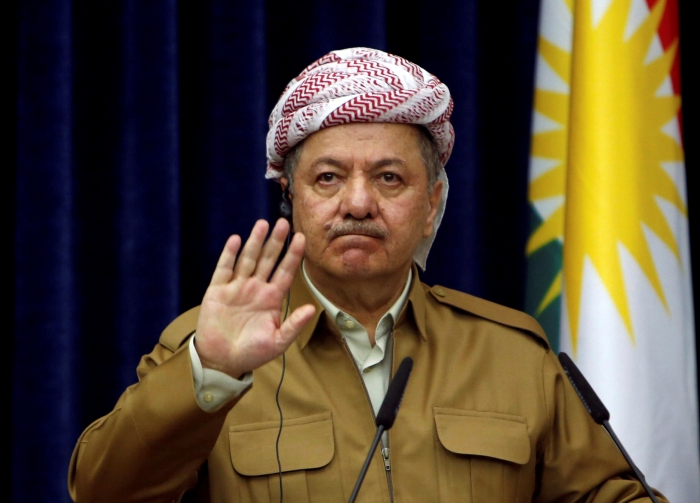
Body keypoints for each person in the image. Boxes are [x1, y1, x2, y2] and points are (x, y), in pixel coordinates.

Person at [68, 47, 664, 502]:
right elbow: (101, 494)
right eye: (327, 178)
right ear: (290, 199)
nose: (357, 203)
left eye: (389, 178)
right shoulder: (209, 351)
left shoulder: (512, 355)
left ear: (431, 204)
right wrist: (212, 375)